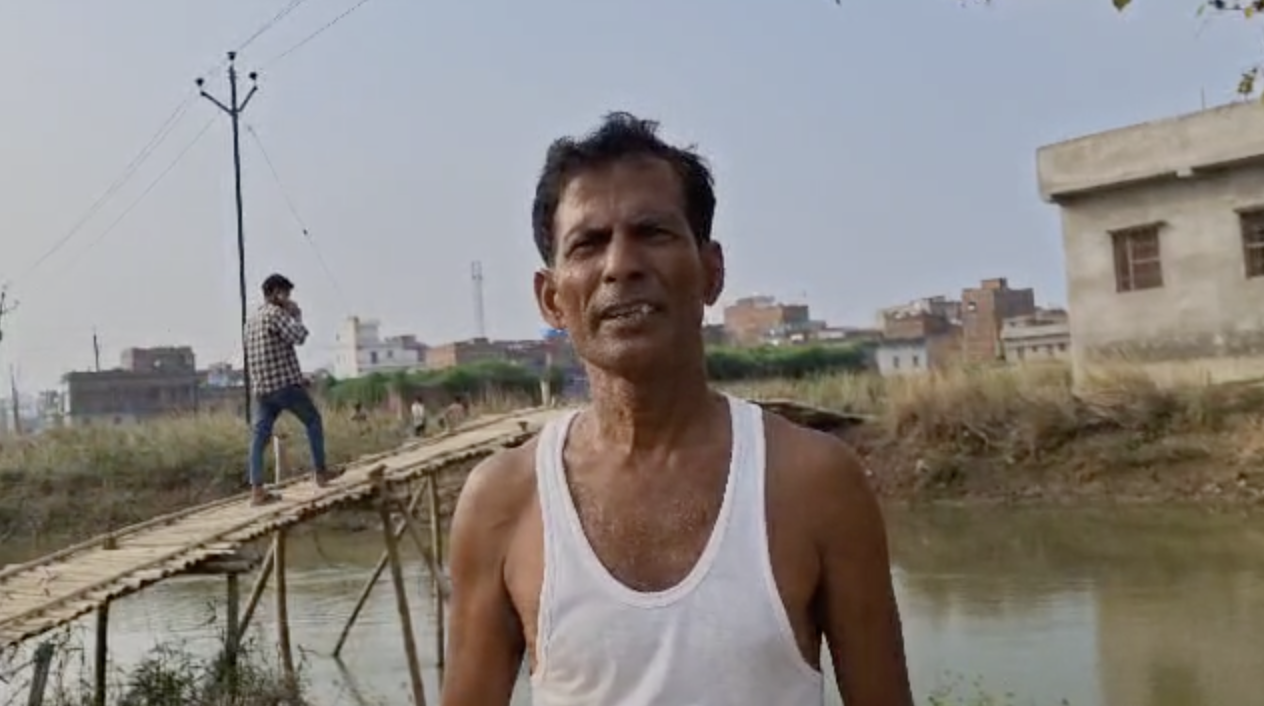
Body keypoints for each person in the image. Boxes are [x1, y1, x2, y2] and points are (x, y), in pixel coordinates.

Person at [442, 113, 913, 705]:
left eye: (653, 232)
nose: (621, 265)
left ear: (711, 272)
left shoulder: (814, 482)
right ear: (551, 298)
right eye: (588, 244)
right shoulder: (503, 501)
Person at [243, 273, 334, 506]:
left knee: (259, 438)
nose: (289, 298)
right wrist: (296, 315)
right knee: (313, 420)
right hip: (284, 386)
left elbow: (267, 353)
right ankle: (321, 473)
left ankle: (257, 490)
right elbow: (299, 337)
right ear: (276, 293)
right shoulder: (276, 314)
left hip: (261, 391)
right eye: (286, 294)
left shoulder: (250, 321)